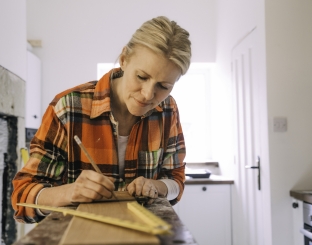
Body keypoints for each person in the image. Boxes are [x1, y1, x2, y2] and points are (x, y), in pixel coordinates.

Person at [11, 16, 191, 223]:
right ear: (124, 59)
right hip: (77, 238)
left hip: (142, 236)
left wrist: (156, 187)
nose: (148, 94)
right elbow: (21, 198)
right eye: (141, 77)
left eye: (164, 86)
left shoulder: (168, 109)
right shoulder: (68, 108)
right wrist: (69, 192)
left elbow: (176, 180)